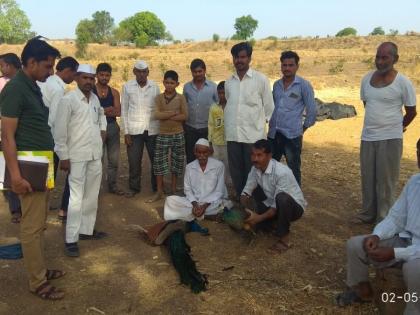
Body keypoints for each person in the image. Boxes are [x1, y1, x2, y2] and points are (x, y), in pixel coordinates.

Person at [0, 38, 64, 300]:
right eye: (48, 66)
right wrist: (15, 176)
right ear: (32, 62)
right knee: (31, 225)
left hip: (40, 162)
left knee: (39, 224)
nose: (50, 71)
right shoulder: (15, 89)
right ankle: (37, 281)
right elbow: (7, 136)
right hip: (28, 165)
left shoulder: (32, 86)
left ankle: (40, 269)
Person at [336, 139, 420, 315]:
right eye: (419, 153)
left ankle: (413, 308)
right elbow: (396, 217)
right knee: (356, 245)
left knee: (413, 270)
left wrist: (394, 253)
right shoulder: (415, 182)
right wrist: (377, 235)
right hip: (405, 240)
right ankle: (363, 291)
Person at [356, 42, 417, 224]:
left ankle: (384, 219)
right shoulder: (366, 80)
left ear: (395, 59)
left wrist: (399, 127)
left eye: (385, 57)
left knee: (386, 181)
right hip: (368, 137)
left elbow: (412, 112)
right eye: (377, 57)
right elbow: (367, 104)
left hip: (390, 138)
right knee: (368, 178)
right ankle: (368, 213)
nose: (380, 61)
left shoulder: (403, 82)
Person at [54, 64, 107, 258]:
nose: (89, 82)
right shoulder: (68, 100)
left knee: (92, 195)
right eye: (85, 78)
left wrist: (103, 130)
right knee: (75, 198)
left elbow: (101, 115)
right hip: (75, 156)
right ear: (77, 78)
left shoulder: (94, 99)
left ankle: (86, 230)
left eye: (91, 78)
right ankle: (71, 239)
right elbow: (59, 131)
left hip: (95, 154)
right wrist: (64, 156)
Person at [224, 42, 274, 198]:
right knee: (236, 173)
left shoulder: (261, 80)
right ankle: (241, 203)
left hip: (253, 138)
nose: (239, 60)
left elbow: (269, 108)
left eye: (242, 57)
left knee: (255, 173)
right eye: (236, 57)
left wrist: (261, 134)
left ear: (249, 58)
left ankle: (257, 208)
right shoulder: (229, 82)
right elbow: (228, 104)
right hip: (233, 136)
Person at [240, 139, 306, 253]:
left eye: (259, 155)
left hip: (294, 208)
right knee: (252, 194)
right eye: (253, 155)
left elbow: (276, 207)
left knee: (282, 198)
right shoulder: (255, 169)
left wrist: (258, 218)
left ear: (269, 156)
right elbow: (246, 191)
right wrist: (246, 210)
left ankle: (284, 240)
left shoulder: (281, 172)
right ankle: (272, 224)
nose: (255, 159)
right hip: (272, 203)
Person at [39, 56, 79, 222]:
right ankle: (41, 214)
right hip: (50, 140)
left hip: (43, 136)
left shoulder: (48, 83)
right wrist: (61, 150)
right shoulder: (57, 89)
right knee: (48, 180)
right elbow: (56, 120)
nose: (74, 78)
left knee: (44, 180)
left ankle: (41, 212)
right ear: (68, 71)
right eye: (74, 74)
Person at [268, 51, 316, 186]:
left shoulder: (304, 85)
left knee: (293, 168)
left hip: (292, 136)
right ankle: (273, 196)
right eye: (284, 65)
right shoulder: (276, 85)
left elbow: (312, 111)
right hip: (274, 134)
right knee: (271, 167)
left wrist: (302, 129)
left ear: (297, 66)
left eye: (291, 65)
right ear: (281, 66)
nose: (287, 68)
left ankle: (296, 201)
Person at [164, 138, 229, 222]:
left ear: (209, 152)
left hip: (212, 203)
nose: (202, 155)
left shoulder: (219, 166)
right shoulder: (189, 167)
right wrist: (195, 205)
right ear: (195, 153)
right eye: (199, 152)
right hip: (194, 202)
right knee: (170, 200)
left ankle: (193, 215)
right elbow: (187, 190)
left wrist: (204, 206)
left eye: (204, 152)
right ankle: (206, 216)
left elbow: (219, 191)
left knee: (224, 205)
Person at [121, 60, 160, 197]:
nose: (142, 74)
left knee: (156, 160)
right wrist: (126, 132)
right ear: (134, 72)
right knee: (134, 161)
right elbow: (124, 110)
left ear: (148, 72)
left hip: (153, 130)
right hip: (134, 130)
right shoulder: (127, 87)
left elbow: (158, 108)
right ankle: (134, 188)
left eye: (144, 72)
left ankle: (157, 187)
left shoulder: (155, 87)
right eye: (139, 71)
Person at [148, 70, 187, 203]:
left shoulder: (181, 98)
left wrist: (165, 114)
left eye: (172, 83)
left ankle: (174, 189)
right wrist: (172, 113)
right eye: (167, 82)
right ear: (163, 82)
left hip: (178, 133)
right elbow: (156, 115)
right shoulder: (158, 98)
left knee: (176, 162)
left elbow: (185, 116)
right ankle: (160, 191)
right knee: (159, 163)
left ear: (177, 84)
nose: (169, 85)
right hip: (163, 134)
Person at [93, 62, 123, 195]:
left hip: (111, 127)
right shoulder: (91, 91)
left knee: (113, 159)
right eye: (102, 75)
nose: (104, 77)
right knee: (97, 159)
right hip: (96, 128)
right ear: (96, 75)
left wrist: (100, 111)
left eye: (107, 75)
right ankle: (95, 187)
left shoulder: (114, 92)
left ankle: (112, 185)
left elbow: (118, 112)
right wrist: (106, 110)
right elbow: (90, 112)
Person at [0, 53, 22, 223]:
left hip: (22, 133)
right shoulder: (0, 82)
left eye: (3, 65)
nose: (1, 68)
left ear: (11, 65)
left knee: (26, 166)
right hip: (5, 133)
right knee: (7, 169)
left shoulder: (26, 82)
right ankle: (15, 209)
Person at [183, 58, 218, 163]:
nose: (197, 74)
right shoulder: (187, 87)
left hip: (207, 129)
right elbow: (184, 105)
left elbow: (219, 106)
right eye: (194, 72)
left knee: (207, 157)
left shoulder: (213, 87)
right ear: (191, 72)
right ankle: (192, 178)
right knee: (191, 156)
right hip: (190, 129)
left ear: (204, 70)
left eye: (200, 71)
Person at [208, 81, 230, 183]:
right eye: (220, 93)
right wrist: (210, 142)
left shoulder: (232, 106)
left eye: (224, 93)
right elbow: (211, 125)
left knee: (228, 164)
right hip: (216, 142)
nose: (222, 95)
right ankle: (216, 183)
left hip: (228, 142)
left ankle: (227, 185)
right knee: (216, 164)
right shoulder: (213, 107)